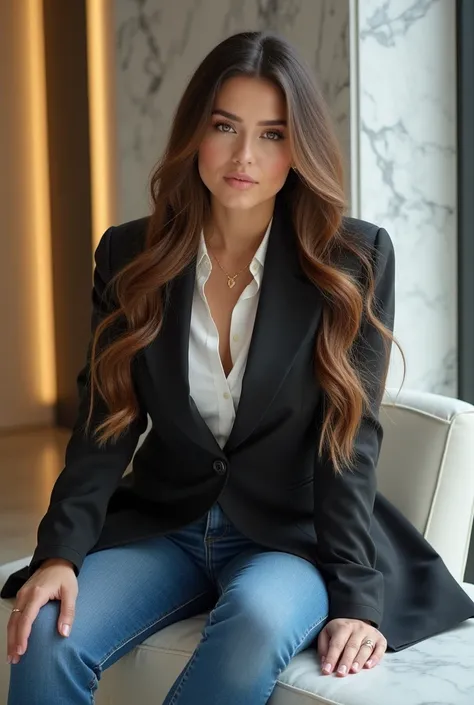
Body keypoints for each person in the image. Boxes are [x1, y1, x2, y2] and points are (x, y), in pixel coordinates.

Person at [3, 30, 474, 705]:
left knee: (254, 621)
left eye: (273, 134)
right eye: (225, 126)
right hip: (165, 521)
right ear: (196, 130)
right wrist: (59, 554)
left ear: (299, 147)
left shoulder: (353, 260)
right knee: (46, 629)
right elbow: (104, 420)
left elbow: (349, 441)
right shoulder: (130, 255)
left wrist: (355, 596)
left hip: (289, 538)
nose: (244, 156)